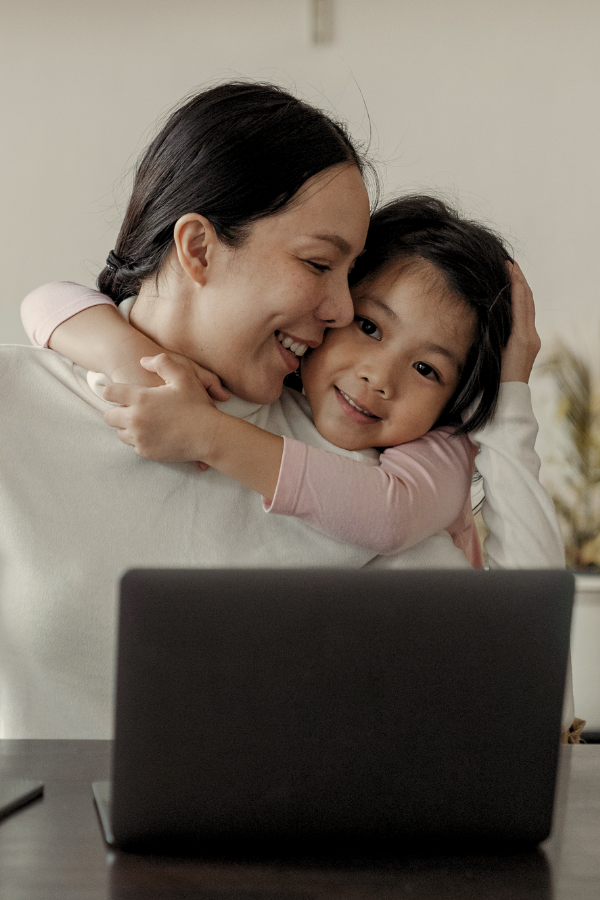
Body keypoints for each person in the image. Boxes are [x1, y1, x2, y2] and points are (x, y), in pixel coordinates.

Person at [4, 82, 569, 742]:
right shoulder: (20, 402)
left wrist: (503, 400)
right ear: (198, 248)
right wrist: (131, 365)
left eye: (350, 275)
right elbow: (55, 305)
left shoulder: (359, 472)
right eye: (319, 264)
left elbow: (533, 698)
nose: (339, 309)